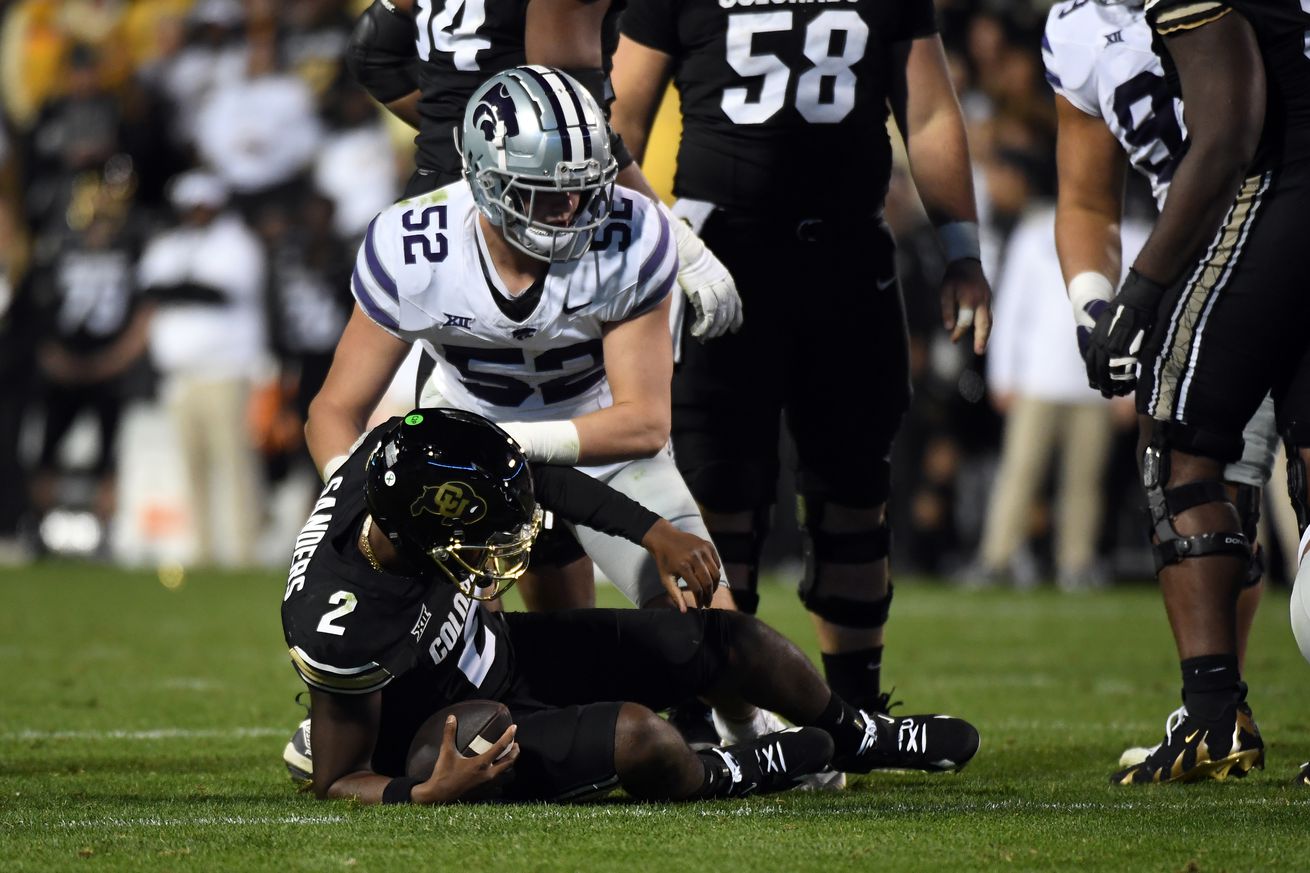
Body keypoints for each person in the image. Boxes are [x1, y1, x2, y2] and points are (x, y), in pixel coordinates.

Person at [281, 408, 980, 803]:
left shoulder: (395, 455)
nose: (497, 549)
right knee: (643, 736)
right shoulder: (340, 618)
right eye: (477, 537)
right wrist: (423, 792)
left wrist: (654, 531)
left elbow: (542, 477)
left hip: (501, 653)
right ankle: (726, 771)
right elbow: (338, 779)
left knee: (719, 637)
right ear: (421, 532)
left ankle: (853, 729)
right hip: (450, 727)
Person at [609, 0, 992, 718]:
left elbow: (929, 112)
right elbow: (618, 117)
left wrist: (962, 252)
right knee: (717, 497)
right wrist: (650, 251)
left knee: (852, 494)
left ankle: (854, 711)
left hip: (846, 255)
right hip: (721, 256)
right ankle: (715, 707)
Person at [1042, 0, 1284, 770]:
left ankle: (1216, 711)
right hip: (1186, 273)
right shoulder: (1075, 28)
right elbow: (1084, 198)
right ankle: (1220, 708)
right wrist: (1094, 306)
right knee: (1205, 487)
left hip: (1269, 236)